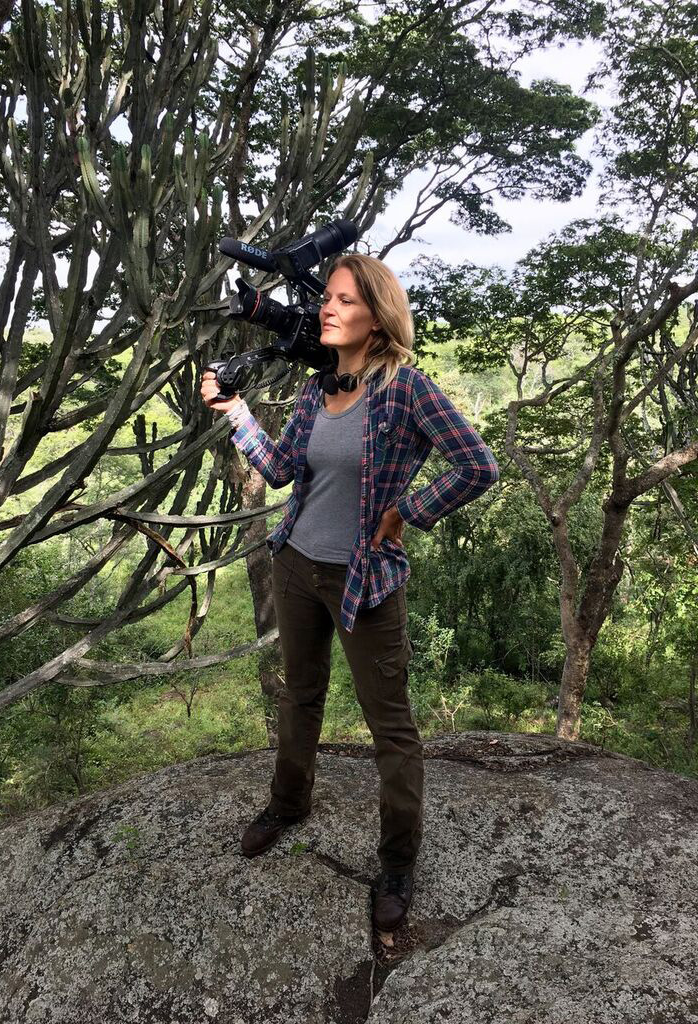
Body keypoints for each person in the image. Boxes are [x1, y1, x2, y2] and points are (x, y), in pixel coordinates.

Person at [201, 253, 499, 932]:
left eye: (344, 302)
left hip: (364, 578)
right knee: (299, 693)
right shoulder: (316, 390)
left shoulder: (407, 390)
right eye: (326, 300)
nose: (326, 310)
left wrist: (409, 512)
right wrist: (236, 409)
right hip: (296, 561)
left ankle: (398, 860)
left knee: (388, 723)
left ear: (377, 317)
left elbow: (477, 466)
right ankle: (287, 802)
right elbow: (279, 472)